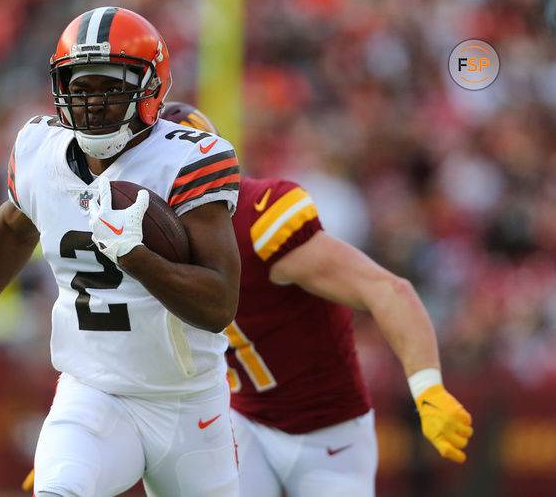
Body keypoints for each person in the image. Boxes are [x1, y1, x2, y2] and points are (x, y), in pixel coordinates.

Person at [0, 8, 242, 497]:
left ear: (149, 87)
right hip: (92, 390)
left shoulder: (189, 159)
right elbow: (15, 223)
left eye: (109, 85)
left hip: (189, 405)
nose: (92, 102)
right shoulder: (39, 151)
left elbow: (219, 305)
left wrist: (136, 256)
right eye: (79, 87)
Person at [161, 102, 473, 497]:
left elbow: (387, 289)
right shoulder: (147, 238)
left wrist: (428, 388)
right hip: (244, 418)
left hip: (330, 434)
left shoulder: (259, 224)